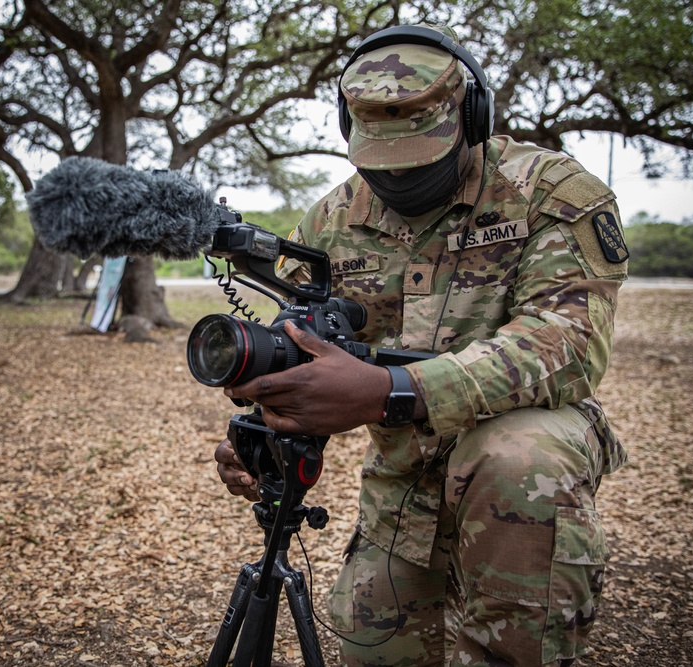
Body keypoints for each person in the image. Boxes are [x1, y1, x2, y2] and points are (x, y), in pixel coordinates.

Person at [214, 24, 629, 667]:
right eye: (379, 161)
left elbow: (567, 342)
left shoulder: (548, 192)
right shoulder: (332, 220)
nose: (399, 179)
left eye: (421, 154)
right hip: (404, 482)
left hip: (525, 466)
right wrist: (266, 420)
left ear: (472, 116)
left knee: (515, 457)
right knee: (375, 650)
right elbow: (299, 343)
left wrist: (390, 391)